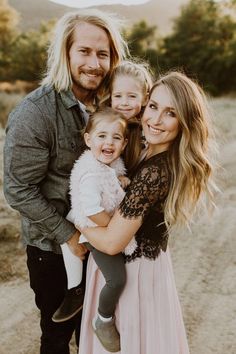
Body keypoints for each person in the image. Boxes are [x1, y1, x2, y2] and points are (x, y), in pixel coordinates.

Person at [3, 8, 128, 354]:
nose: (94, 62)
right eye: (84, 52)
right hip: (54, 250)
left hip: (108, 241)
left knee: (104, 334)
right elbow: (17, 188)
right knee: (58, 338)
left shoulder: (113, 105)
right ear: (65, 53)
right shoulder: (35, 113)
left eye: (102, 53)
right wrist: (69, 235)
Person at [78, 71, 218, 354]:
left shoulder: (155, 171)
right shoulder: (144, 151)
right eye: (153, 106)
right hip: (138, 270)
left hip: (134, 278)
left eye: (170, 113)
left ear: (184, 122)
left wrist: (76, 219)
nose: (155, 119)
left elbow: (112, 242)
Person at [55, 108, 139, 352]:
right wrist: (115, 229)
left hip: (102, 225)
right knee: (117, 279)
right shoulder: (91, 174)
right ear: (88, 139)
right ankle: (103, 319)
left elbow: (113, 179)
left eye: (116, 138)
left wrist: (120, 178)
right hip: (94, 229)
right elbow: (92, 211)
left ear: (124, 143)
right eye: (102, 136)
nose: (108, 143)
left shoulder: (109, 165)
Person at [110, 60, 153, 174]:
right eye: (118, 96)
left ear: (145, 99)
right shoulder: (104, 124)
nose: (124, 102)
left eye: (132, 96)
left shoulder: (148, 131)